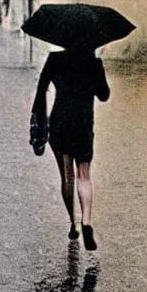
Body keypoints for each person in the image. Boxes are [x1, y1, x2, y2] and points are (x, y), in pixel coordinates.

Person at [31, 44, 110, 251]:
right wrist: (96, 72)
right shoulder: (94, 63)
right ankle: (86, 222)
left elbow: (40, 90)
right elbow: (104, 95)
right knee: (84, 175)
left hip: (60, 122)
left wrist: (39, 121)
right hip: (83, 123)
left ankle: (73, 224)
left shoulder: (55, 60)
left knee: (67, 177)